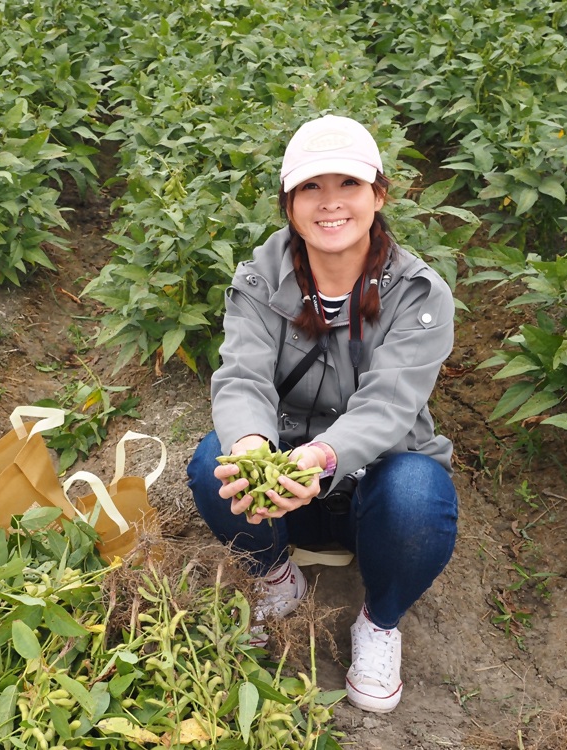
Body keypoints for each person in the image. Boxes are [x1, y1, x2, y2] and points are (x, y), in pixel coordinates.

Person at [186, 115, 459, 713]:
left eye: (349, 185)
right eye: (311, 187)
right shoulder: (260, 280)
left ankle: (379, 620)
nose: (330, 203)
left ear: (378, 195)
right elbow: (241, 378)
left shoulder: (418, 292)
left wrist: (323, 457)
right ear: (289, 204)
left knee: (418, 493)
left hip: (374, 484)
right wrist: (255, 447)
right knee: (216, 461)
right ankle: (275, 575)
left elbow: (390, 403)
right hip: (285, 488)